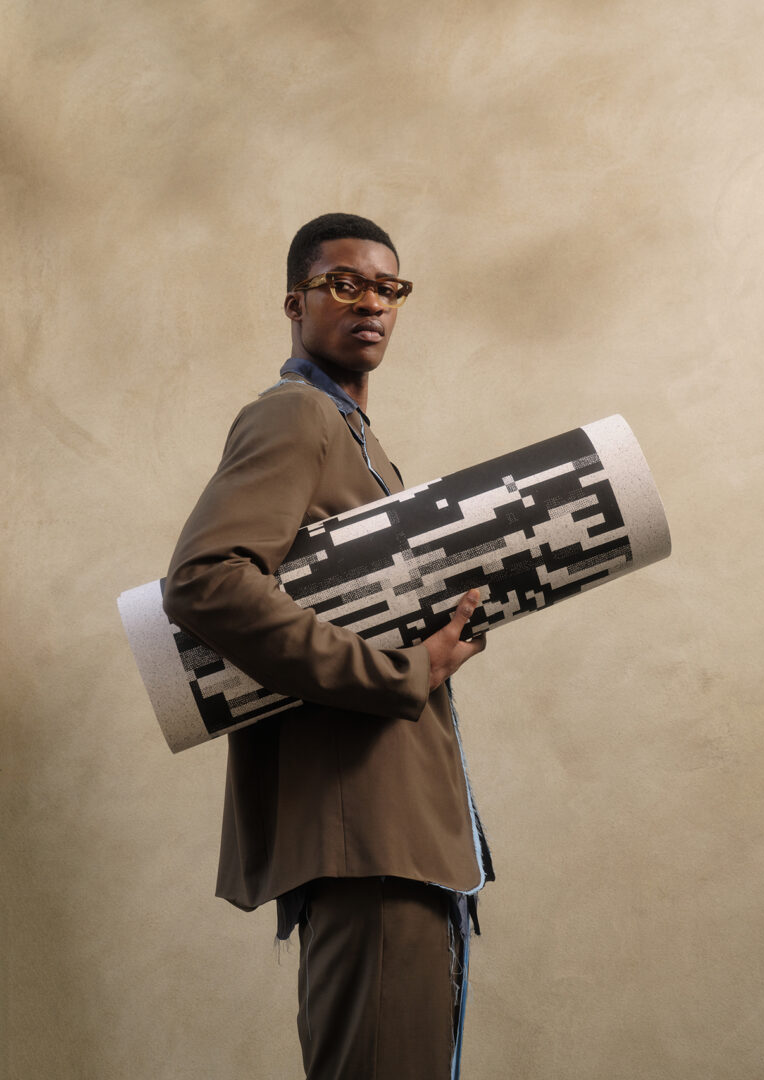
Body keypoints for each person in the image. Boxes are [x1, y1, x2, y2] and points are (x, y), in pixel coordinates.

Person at [162, 213, 494, 1080]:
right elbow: (207, 580)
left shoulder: (355, 438)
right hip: (366, 839)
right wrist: (401, 673)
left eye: (389, 288)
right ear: (295, 302)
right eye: (345, 284)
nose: (372, 304)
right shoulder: (297, 418)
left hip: (397, 839)